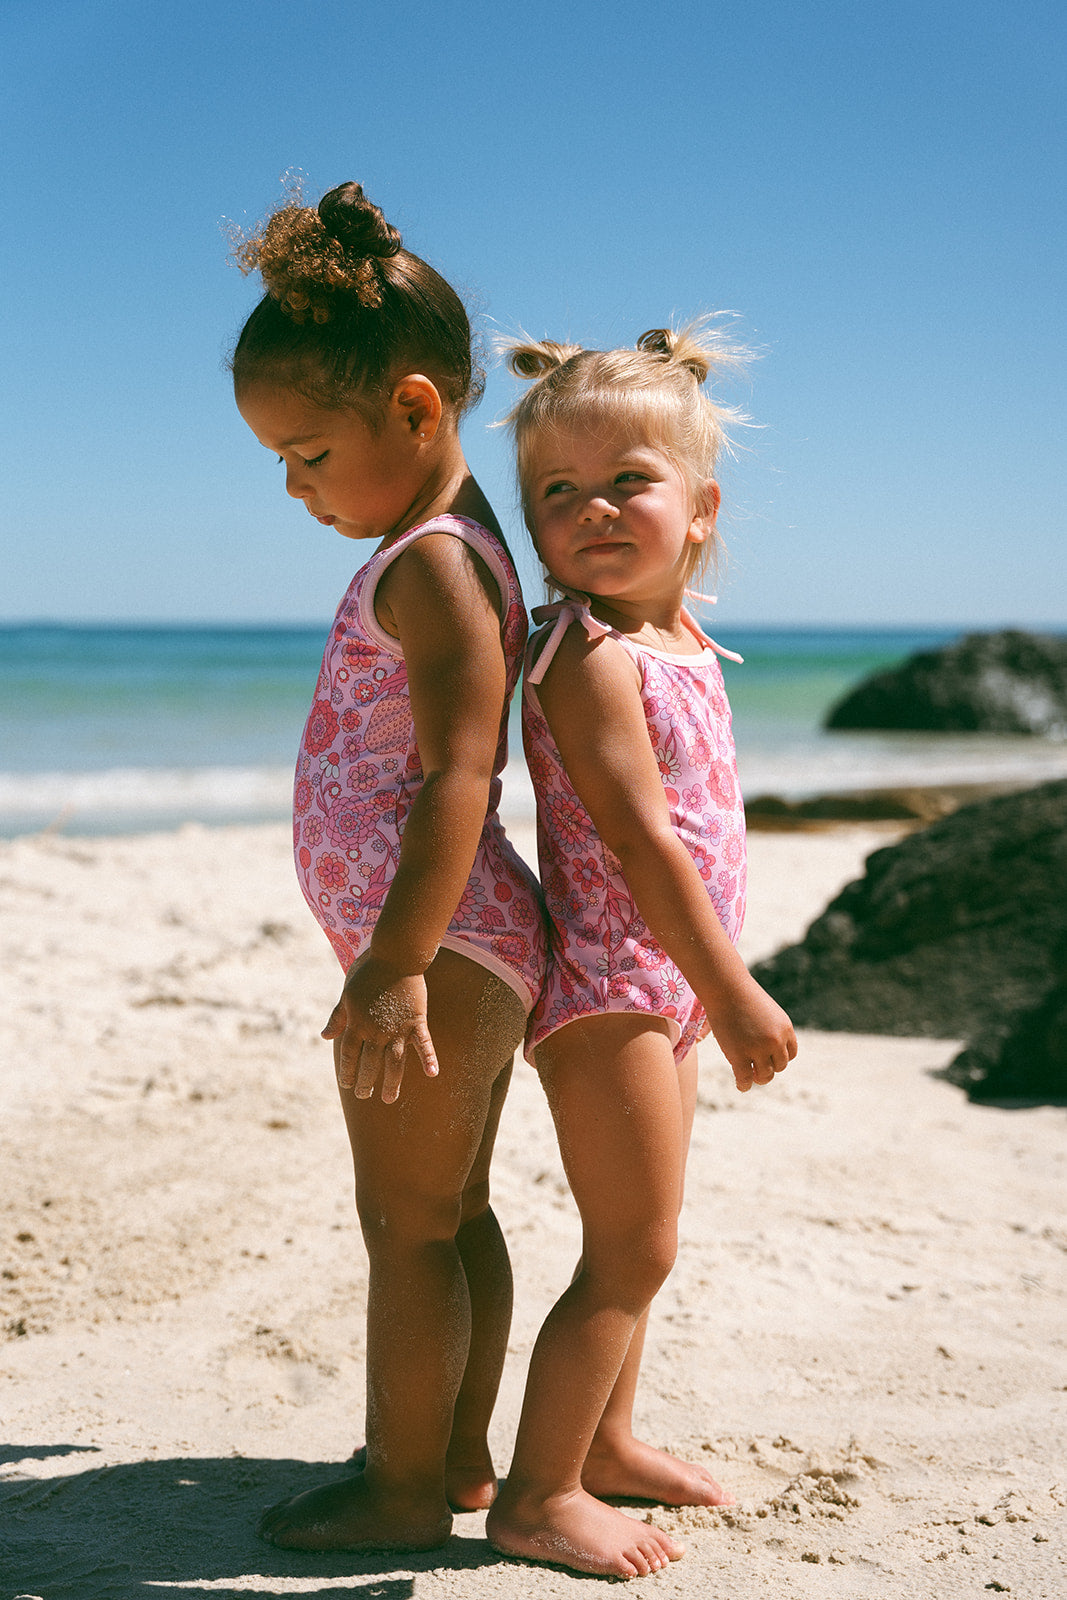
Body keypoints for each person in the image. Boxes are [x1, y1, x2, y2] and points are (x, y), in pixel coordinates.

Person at [228, 179, 546, 1553]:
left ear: (414, 410)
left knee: (406, 1224)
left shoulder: (435, 566)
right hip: (458, 941)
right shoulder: (444, 547)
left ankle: (403, 1485)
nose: (294, 487)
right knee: (447, 1209)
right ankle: (456, 1454)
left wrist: (395, 962)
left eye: (307, 453)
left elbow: (460, 777)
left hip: (442, 944)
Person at [485, 327, 798, 1578]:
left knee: (646, 1233)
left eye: (628, 481)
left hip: (663, 982)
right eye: (557, 492)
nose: (593, 509)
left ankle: (605, 1442)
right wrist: (734, 991)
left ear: (699, 509)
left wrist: (702, 988)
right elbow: (642, 840)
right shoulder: (584, 655)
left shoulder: (680, 641)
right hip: (612, 984)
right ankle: (536, 1494)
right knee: (631, 1246)